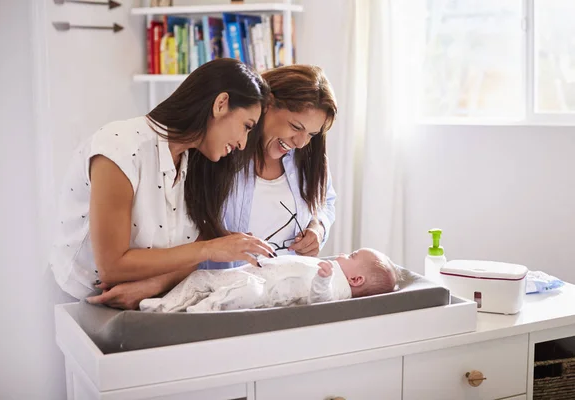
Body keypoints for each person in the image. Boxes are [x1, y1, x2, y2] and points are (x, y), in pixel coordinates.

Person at [48, 58, 277, 309]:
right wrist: (209, 249)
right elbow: (112, 266)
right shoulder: (120, 148)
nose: (243, 143)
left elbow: (186, 255)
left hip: (138, 306)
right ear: (221, 104)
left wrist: (154, 284)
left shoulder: (197, 164)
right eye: (246, 127)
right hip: (72, 304)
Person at [201, 64, 338, 270]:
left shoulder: (309, 160)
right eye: (295, 127)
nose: (300, 142)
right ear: (268, 104)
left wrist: (318, 228)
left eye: (311, 134)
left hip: (287, 292)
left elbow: (326, 201)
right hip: (224, 293)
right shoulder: (221, 150)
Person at [139, 248, 398, 313]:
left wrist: (322, 280)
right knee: (200, 277)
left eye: (352, 255)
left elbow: (322, 302)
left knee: (238, 291)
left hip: (262, 290)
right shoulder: (333, 268)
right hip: (250, 272)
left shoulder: (336, 285)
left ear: (356, 278)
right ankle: (164, 306)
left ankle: (200, 311)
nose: (344, 254)